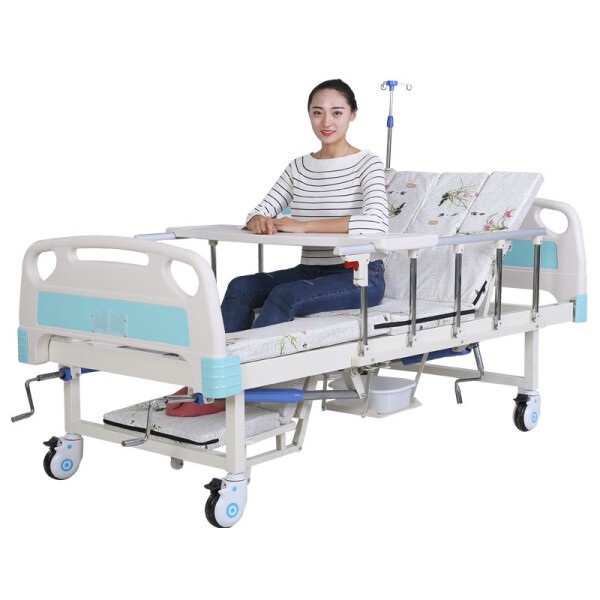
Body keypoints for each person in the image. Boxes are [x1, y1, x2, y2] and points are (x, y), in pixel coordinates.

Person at [220, 79, 389, 333]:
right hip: (310, 270)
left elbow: (377, 222)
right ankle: (221, 355)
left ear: (353, 114)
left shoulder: (368, 163)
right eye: (318, 113)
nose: (326, 122)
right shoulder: (298, 167)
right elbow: (258, 211)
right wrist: (258, 220)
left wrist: (304, 226)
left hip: (360, 275)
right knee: (240, 287)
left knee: (285, 295)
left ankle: (249, 357)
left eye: (337, 113)